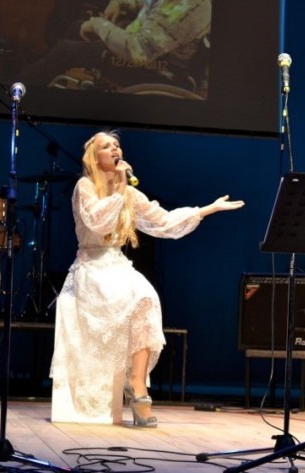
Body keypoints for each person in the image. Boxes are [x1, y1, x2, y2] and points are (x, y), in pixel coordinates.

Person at [50, 130, 244, 426]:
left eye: (116, 145)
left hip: (116, 263)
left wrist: (208, 209)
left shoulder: (128, 193)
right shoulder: (85, 186)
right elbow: (98, 221)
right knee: (130, 298)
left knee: (146, 297)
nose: (114, 149)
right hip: (90, 266)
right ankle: (124, 387)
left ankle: (137, 383)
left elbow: (163, 221)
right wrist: (119, 187)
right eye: (106, 146)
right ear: (94, 157)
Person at [15, 0, 211, 96]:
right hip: (148, 46)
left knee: (65, 51)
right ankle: (43, 69)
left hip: (158, 67)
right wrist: (122, 2)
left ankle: (16, 93)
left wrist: (97, 25)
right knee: (75, 29)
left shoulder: (187, 4)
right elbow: (151, 4)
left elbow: (138, 50)